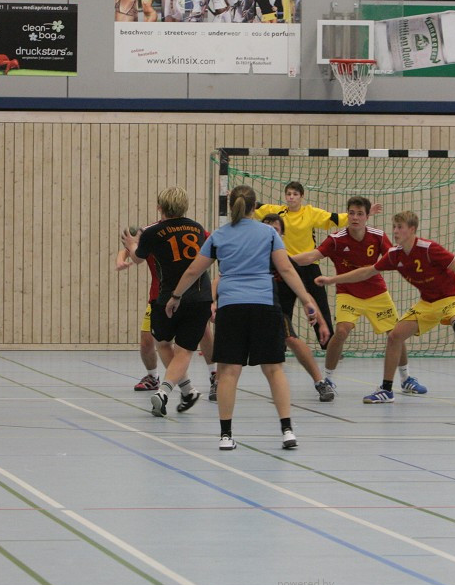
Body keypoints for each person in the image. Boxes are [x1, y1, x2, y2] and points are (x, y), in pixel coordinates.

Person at [166, 185, 329, 451]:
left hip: (232, 308)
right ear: (255, 208)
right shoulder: (268, 233)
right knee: (274, 370)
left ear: (231, 206)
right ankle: (287, 430)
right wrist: (309, 301)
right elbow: (286, 269)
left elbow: (193, 270)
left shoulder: (219, 235)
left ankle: (226, 436)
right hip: (264, 305)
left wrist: (175, 296)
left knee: (229, 372)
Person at [318, 210, 455, 402]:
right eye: (394, 227)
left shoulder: (429, 249)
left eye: (400, 228)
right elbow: (366, 272)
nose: (395, 231)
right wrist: (332, 279)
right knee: (395, 336)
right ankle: (387, 390)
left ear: (412, 230)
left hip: (452, 298)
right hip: (427, 303)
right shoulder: (395, 255)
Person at [290, 197, 427, 398]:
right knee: (342, 331)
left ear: (367, 216)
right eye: (351, 213)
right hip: (348, 293)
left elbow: (395, 256)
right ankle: (327, 378)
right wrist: (283, 261)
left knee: (396, 333)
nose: (355, 217)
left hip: (376, 293)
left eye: (360, 214)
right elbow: (312, 256)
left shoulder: (378, 236)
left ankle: (406, 379)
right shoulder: (336, 239)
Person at [254, 181, 383, 349]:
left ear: (302, 197)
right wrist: (234, 198)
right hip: (284, 265)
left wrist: (367, 214)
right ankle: (280, 344)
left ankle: (329, 345)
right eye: (289, 194)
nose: (291, 197)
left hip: (308, 265)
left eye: (295, 194)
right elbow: (255, 206)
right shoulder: (277, 211)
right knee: (283, 306)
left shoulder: (310, 212)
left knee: (319, 304)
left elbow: (334, 218)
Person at [121, 187, 212, 417]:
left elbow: (137, 258)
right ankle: (187, 390)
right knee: (184, 350)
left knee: (163, 343)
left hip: (167, 297)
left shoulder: (153, 231)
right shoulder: (198, 228)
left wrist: (131, 244)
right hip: (199, 296)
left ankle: (164, 391)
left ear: (160, 207)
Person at [114, 242, 216, 395]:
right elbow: (129, 249)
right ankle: (155, 378)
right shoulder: (153, 234)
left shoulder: (189, 232)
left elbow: (213, 244)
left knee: (204, 332)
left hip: (189, 296)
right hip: (159, 299)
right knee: (148, 341)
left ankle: (214, 375)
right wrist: (120, 259)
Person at [261, 214, 333, 402]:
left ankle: (320, 382)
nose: (270, 233)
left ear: (281, 235)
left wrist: (322, 323)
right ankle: (218, 382)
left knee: (291, 338)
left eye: (275, 229)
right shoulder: (251, 258)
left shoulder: (288, 263)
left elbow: (305, 293)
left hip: (277, 313)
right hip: (251, 309)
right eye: (266, 228)